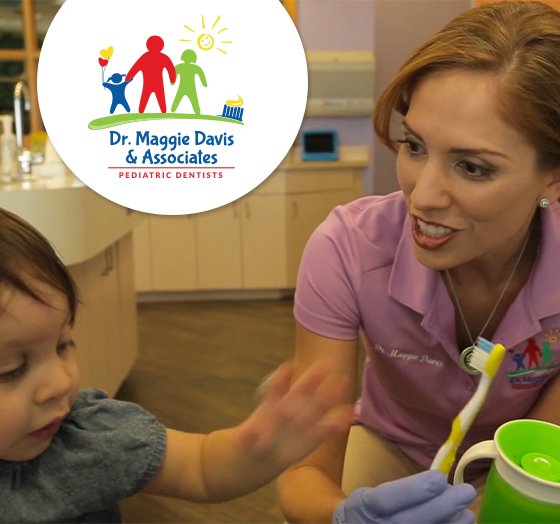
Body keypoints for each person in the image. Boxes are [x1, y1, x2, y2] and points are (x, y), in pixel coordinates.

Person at [277, 1, 560, 522]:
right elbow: (303, 476)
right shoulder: (348, 248)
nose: (421, 196)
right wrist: (344, 517)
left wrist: (486, 505)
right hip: (393, 447)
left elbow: (545, 449)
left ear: (553, 176)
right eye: (413, 145)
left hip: (519, 461)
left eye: (472, 167)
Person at [0, 206, 355, 522]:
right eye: (11, 368)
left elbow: (200, 467)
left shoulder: (89, 438)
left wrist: (255, 453)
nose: (61, 382)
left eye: (63, 345)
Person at [126, 35, 176, 113]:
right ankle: (163, 112)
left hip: (148, 83)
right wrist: (172, 79)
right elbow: (171, 69)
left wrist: (128, 78)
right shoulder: (163, 57)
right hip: (158, 83)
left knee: (145, 98)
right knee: (160, 98)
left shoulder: (145, 57)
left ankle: (141, 112)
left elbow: (135, 68)